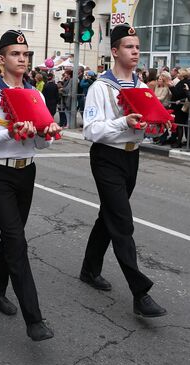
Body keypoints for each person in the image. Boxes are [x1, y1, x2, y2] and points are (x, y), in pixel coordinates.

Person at [0, 30, 62, 341]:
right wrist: (11, 132)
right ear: (1, 59)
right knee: (16, 241)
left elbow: (40, 145)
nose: (22, 59)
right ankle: (34, 320)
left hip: (27, 172)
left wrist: (45, 132)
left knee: (11, 238)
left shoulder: (35, 94)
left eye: (25, 55)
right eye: (15, 54)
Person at [80, 24, 167, 318]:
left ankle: (89, 270)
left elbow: (148, 124)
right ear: (115, 51)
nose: (135, 52)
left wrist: (155, 124)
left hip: (132, 157)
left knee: (109, 216)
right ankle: (140, 292)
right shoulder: (100, 87)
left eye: (138, 47)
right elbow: (91, 131)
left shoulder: (141, 87)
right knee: (122, 222)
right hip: (107, 158)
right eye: (129, 47)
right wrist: (123, 122)